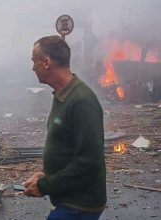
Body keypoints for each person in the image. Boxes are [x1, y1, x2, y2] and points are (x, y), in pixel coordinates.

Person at [23, 36, 106, 220]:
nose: (32, 67)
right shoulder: (64, 95)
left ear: (46, 62)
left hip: (80, 205)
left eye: (34, 61)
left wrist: (45, 185)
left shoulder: (82, 100)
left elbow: (89, 161)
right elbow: (69, 148)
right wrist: (47, 175)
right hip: (70, 201)